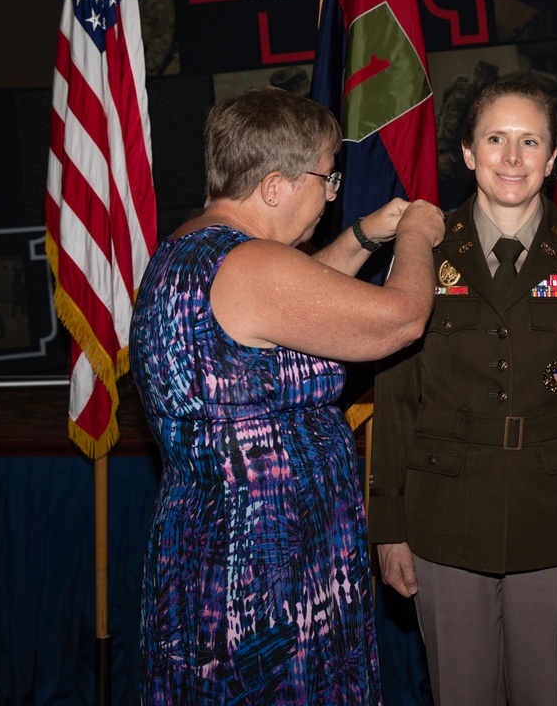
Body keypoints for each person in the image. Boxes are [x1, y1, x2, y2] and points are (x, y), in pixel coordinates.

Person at [129, 85, 445, 705]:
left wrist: (360, 236)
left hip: (212, 546)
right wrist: (416, 234)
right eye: (326, 180)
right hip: (266, 574)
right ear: (274, 186)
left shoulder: (194, 250)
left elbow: (296, 304)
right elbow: (400, 318)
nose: (330, 196)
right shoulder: (248, 267)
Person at [368, 80, 557, 706]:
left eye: (530, 142)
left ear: (551, 160)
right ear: (467, 152)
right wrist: (387, 522)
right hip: (444, 521)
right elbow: (397, 396)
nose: (512, 158)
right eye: (495, 139)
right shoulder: (424, 250)